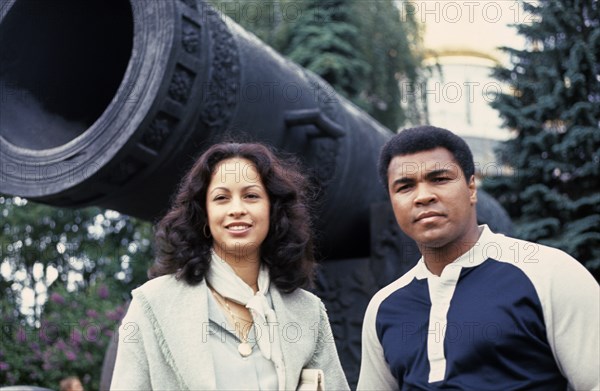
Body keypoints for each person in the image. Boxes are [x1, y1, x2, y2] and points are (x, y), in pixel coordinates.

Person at [357, 126, 599, 390]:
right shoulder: (383, 307)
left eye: (439, 178)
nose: (423, 196)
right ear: (392, 202)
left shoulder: (549, 274)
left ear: (471, 188)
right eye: (405, 187)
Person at [110, 142, 349, 390]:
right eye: (221, 198)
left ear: (273, 211)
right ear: (204, 214)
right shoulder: (152, 304)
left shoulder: (308, 312)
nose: (237, 209)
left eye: (251, 196)